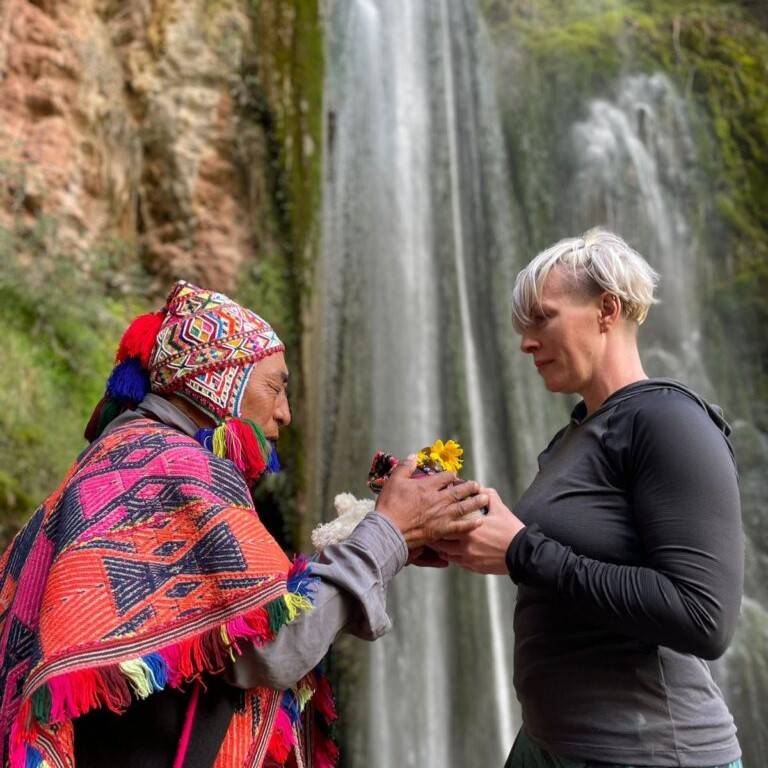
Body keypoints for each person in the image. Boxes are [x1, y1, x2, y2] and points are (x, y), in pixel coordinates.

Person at [0, 280, 487, 768]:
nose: (285, 414)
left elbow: (237, 614)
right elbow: (275, 648)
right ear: (216, 382)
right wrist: (387, 534)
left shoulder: (126, 458)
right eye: (274, 386)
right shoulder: (179, 467)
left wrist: (383, 537)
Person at [436, 229, 744, 768]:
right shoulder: (573, 436)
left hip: (646, 754)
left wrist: (521, 551)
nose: (526, 342)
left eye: (543, 318)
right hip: (548, 743)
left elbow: (704, 617)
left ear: (607, 310)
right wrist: (461, 536)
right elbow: (555, 564)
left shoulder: (668, 420)